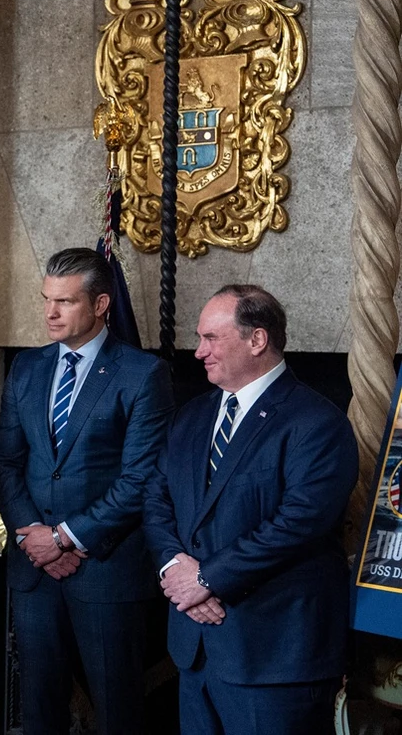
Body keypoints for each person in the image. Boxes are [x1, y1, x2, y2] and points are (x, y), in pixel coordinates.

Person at [143, 285, 357, 734]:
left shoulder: (317, 422)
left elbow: (298, 524)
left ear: (257, 339)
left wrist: (206, 579)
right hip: (195, 650)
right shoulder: (191, 416)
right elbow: (157, 498)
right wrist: (174, 569)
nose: (198, 352)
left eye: (211, 338)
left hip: (274, 657)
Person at [0, 247, 174, 734]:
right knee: (39, 711)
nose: (50, 312)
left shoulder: (142, 374)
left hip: (106, 572)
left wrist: (65, 538)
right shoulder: (26, 367)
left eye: (65, 302)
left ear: (100, 305)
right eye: (46, 299)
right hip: (35, 570)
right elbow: (6, 462)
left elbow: (140, 480)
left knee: (117, 713)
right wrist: (33, 534)